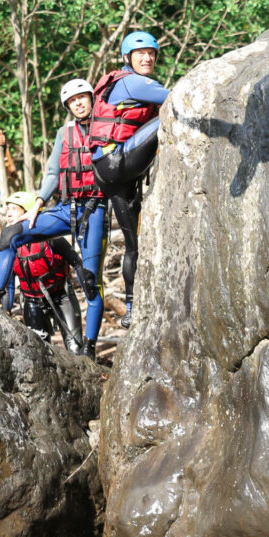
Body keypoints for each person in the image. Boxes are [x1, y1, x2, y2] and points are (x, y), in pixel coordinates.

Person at [0, 78, 107, 360]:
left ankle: (89, 346)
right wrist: (37, 204)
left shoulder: (107, 126)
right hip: (66, 208)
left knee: (91, 281)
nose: (78, 103)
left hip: (94, 208)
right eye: (72, 100)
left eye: (82, 98)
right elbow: (53, 172)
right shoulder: (65, 133)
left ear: (92, 98)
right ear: (67, 106)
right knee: (11, 234)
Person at [89, 31, 170, 328]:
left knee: (133, 244)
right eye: (141, 54)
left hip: (108, 173)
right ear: (127, 58)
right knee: (169, 115)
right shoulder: (131, 81)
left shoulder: (124, 81)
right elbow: (178, 98)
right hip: (117, 161)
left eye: (151, 53)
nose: (147, 58)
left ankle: (133, 306)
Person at [2, 191, 83, 353]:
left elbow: (77, 262)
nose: (8, 213)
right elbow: (7, 282)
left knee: (75, 348)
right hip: (33, 301)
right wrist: (6, 310)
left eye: (14, 209)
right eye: (7, 209)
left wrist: (89, 289)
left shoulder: (52, 238)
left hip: (61, 296)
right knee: (39, 351)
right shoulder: (9, 244)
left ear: (28, 212)